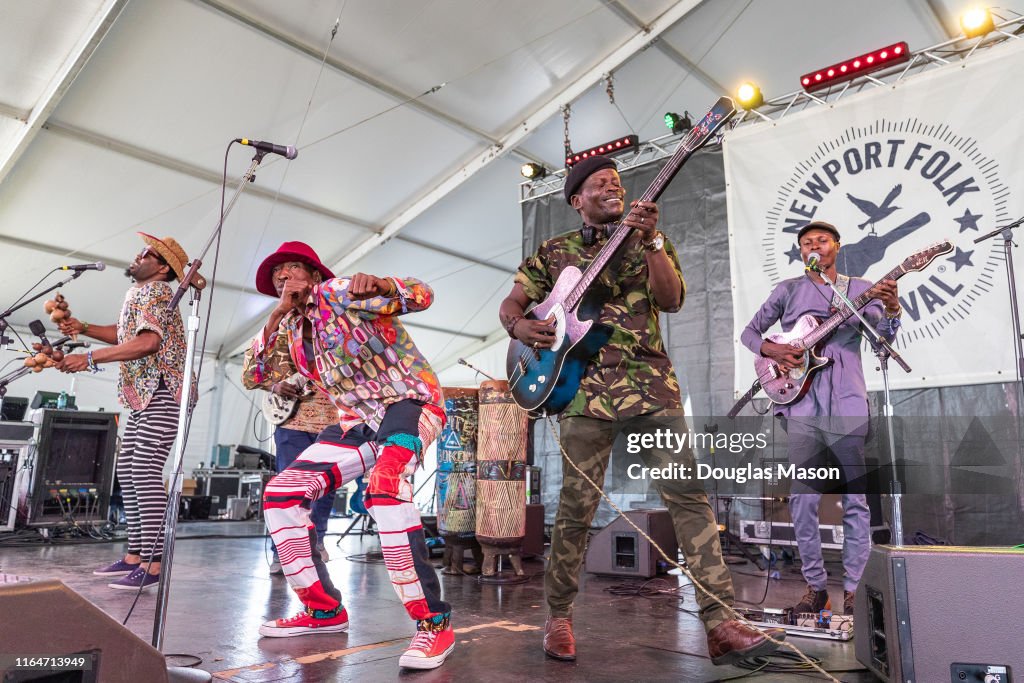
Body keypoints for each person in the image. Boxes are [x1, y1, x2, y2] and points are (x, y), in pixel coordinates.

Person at [498, 155, 782, 665]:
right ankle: (558, 616)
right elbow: (512, 305)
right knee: (575, 509)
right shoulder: (554, 251)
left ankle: (720, 623)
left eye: (616, 180)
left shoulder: (649, 237)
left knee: (689, 500)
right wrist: (520, 329)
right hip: (581, 390)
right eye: (599, 182)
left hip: (650, 387)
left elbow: (670, 300)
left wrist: (651, 241)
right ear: (576, 199)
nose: (612, 184)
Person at [242, 241, 453, 671]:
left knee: (386, 486)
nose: (284, 280)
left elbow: (423, 294)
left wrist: (382, 284)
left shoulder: (339, 292)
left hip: (407, 402)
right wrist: (277, 314)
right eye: (277, 276)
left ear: (315, 276)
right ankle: (323, 610)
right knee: (281, 494)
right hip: (356, 420)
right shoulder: (291, 332)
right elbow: (255, 374)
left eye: (292, 271)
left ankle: (434, 623)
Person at [740, 221, 901, 616]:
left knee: (855, 501)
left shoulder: (861, 289)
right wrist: (775, 352)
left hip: (847, 404)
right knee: (803, 500)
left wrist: (893, 308)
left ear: (837, 246)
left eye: (822, 240)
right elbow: (749, 334)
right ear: (801, 252)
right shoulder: (788, 290)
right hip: (801, 407)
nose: (815, 245)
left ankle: (854, 587)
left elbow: (883, 339)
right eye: (807, 242)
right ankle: (815, 586)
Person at [56, 233, 200, 591]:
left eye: (146, 254)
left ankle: (152, 563)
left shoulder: (157, 292)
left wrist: (87, 357)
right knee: (128, 469)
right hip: (144, 394)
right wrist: (84, 328)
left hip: (165, 390)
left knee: (144, 469)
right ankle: (135, 556)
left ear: (163, 267)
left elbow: (148, 342)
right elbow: (126, 335)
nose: (137, 256)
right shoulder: (138, 293)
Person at [242, 324, 338, 574]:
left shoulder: (334, 327)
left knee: (325, 488)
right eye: (281, 281)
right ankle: (282, 553)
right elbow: (253, 367)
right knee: (290, 490)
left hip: (333, 422)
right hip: (292, 423)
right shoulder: (282, 328)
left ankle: (315, 546)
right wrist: (275, 386)